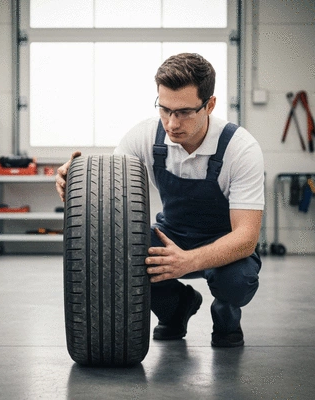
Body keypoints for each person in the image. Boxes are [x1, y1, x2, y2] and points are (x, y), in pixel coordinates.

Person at [56, 53, 264, 347]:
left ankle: (225, 311)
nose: (171, 122)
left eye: (183, 112)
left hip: (224, 240)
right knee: (121, 255)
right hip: (171, 235)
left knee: (238, 280)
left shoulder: (240, 149)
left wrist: (189, 260)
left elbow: (246, 237)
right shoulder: (144, 137)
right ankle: (176, 307)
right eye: (164, 109)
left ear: (210, 105)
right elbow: (107, 191)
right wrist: (76, 185)